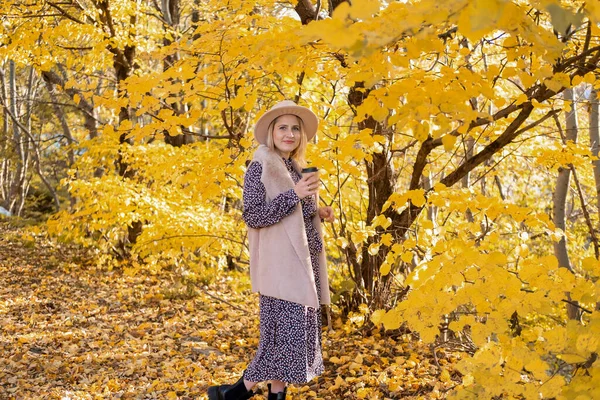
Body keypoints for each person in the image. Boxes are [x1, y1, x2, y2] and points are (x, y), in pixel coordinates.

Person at [207, 100, 334, 400]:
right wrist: (294, 194)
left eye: (295, 128)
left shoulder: (296, 168)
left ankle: (260, 395)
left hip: (303, 263)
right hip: (279, 268)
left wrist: (318, 212)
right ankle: (234, 394)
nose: (289, 134)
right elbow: (253, 216)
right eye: (282, 128)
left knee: (293, 343)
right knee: (279, 341)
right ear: (272, 133)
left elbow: (296, 219)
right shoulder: (259, 167)